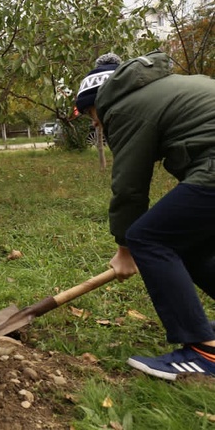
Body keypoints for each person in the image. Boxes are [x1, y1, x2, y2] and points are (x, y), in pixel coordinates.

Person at [75, 50, 215, 380]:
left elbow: (130, 188)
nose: (94, 122)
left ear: (101, 100)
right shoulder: (168, 87)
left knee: (147, 237)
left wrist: (126, 249)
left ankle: (204, 352)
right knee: (186, 243)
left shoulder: (124, 109)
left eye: (90, 113)